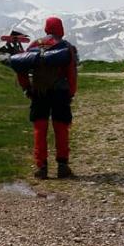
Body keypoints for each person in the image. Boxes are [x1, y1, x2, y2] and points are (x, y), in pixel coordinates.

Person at [17, 17, 78, 179]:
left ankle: (41, 167)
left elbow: (21, 67)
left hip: (39, 92)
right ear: (61, 28)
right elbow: (71, 73)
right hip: (60, 93)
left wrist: (27, 88)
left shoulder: (35, 45)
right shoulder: (66, 47)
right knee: (61, 129)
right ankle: (62, 166)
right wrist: (71, 92)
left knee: (39, 129)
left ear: (46, 28)